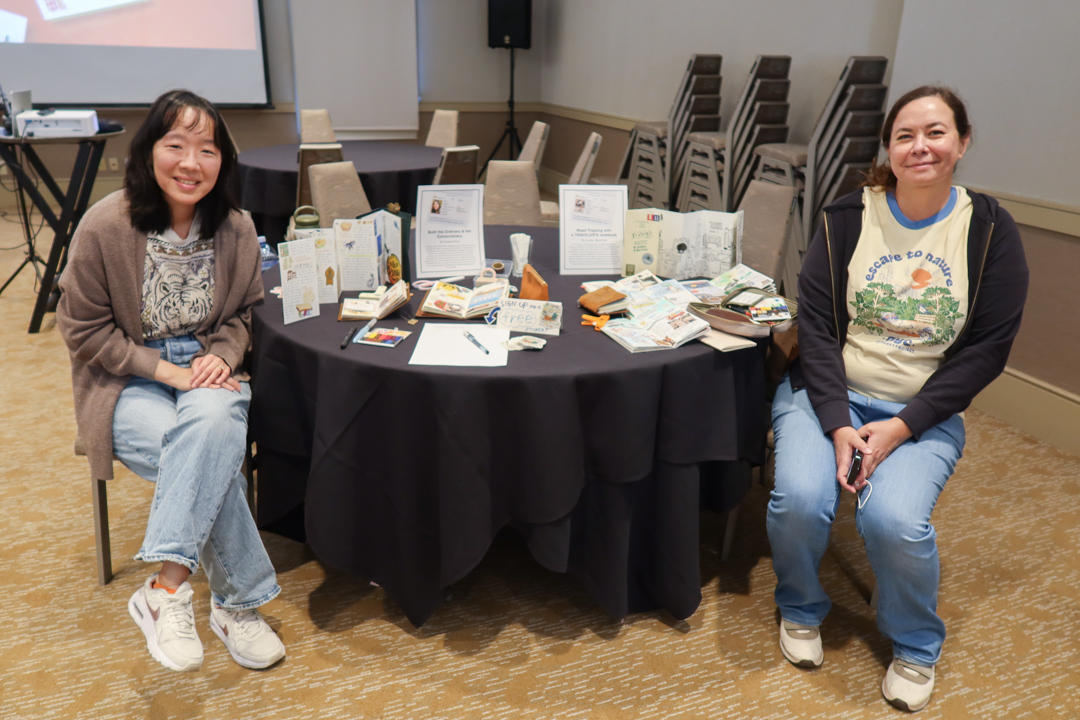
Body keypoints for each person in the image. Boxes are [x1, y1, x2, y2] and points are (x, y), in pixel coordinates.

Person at [765, 86, 1027, 711]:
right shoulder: (846, 218)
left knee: (893, 521)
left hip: (923, 412)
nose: (920, 147)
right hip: (831, 395)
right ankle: (800, 607)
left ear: (963, 142)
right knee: (800, 497)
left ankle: (915, 645)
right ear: (889, 148)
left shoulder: (988, 231)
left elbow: (987, 349)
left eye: (936, 133)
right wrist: (837, 425)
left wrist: (902, 427)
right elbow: (819, 331)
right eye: (906, 135)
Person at [57, 90, 285, 672]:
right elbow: (81, 329)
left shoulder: (235, 227)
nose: (191, 163)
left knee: (208, 429)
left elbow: (243, 315)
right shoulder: (106, 224)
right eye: (175, 145)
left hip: (208, 363)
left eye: (207, 149)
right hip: (126, 377)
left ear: (223, 161)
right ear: (149, 151)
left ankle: (165, 590)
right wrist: (166, 371)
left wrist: (224, 355)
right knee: (200, 454)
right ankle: (236, 604)